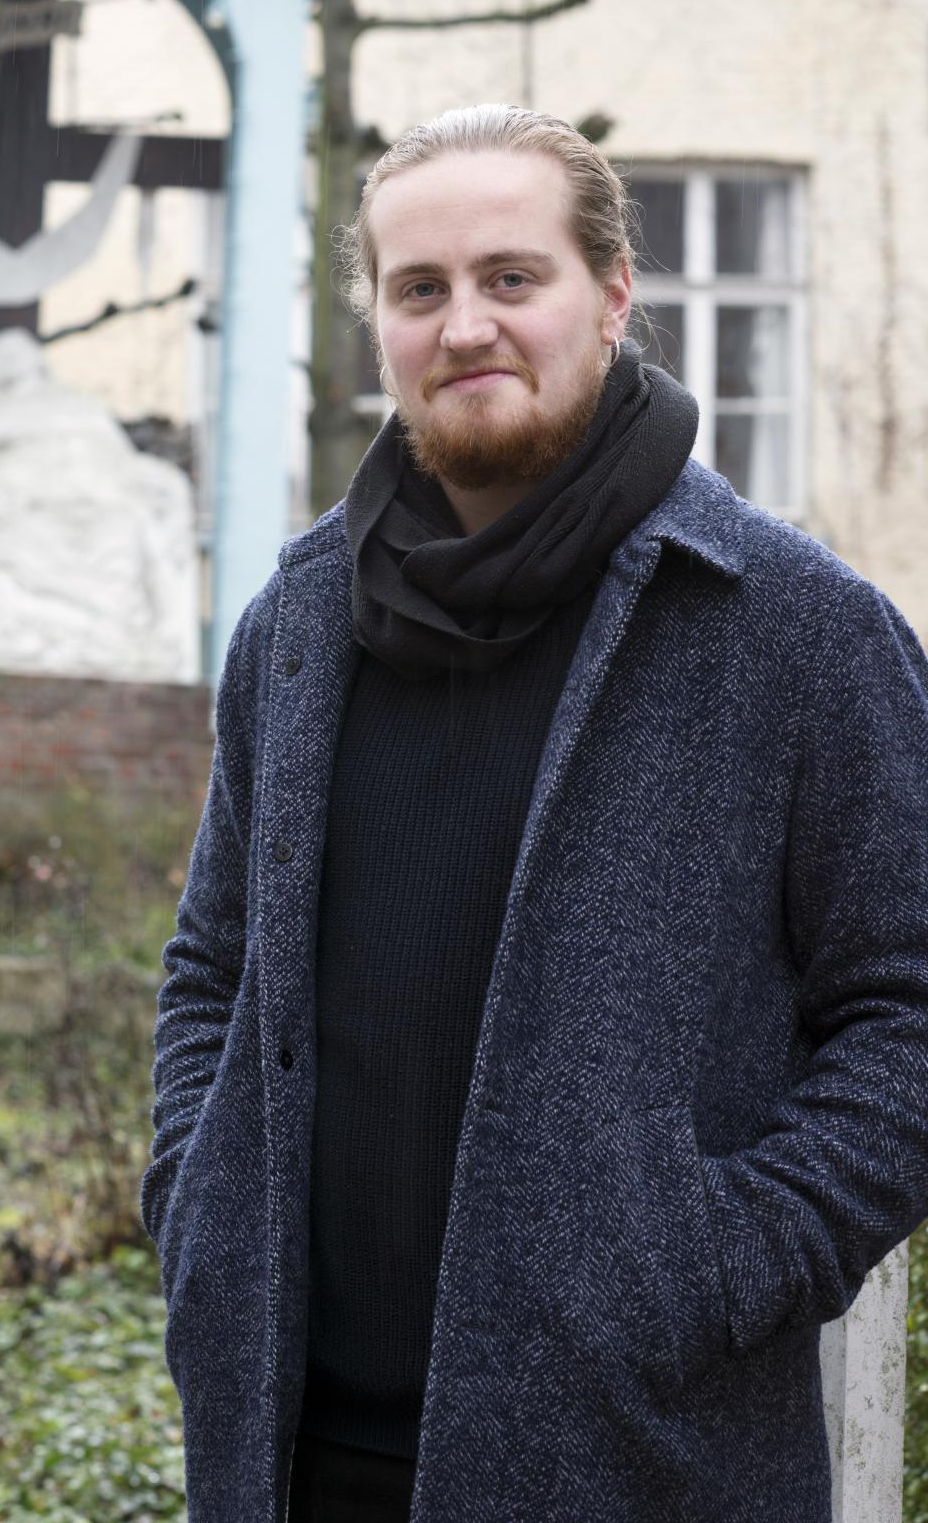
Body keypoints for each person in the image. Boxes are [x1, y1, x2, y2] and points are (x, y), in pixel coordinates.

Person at [140, 104, 928, 1523]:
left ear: (613, 294)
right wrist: (199, 1210)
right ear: (376, 321)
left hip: (636, 1456)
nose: (466, 328)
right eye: (420, 290)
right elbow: (214, 966)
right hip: (291, 1455)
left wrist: (720, 1264)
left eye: (514, 279)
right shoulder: (301, 623)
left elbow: (913, 1006)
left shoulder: (795, 628)